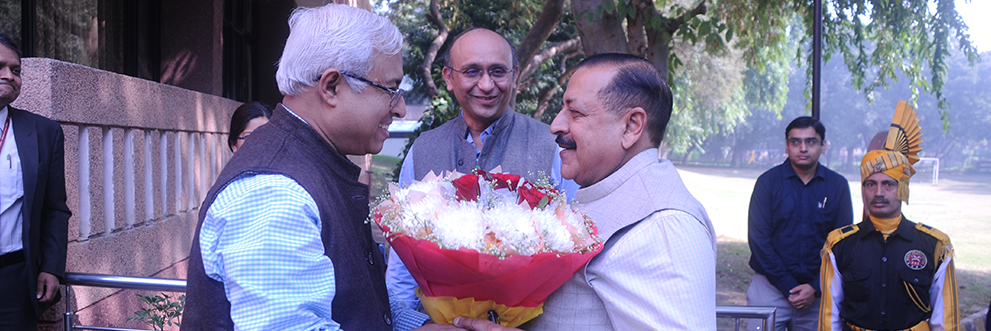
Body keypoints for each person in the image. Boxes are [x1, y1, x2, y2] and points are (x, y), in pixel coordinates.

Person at [182, 5, 460, 331]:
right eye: (390, 90)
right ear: (331, 87)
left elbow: (353, 298)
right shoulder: (275, 192)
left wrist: (421, 327)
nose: (399, 108)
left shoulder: (310, 164)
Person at [456, 53, 717, 330]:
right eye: (562, 110)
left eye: (576, 113)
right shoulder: (611, 194)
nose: (556, 125)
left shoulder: (665, 228)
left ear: (631, 126)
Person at [387, 27, 578, 309]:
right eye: (472, 71)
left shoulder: (553, 149)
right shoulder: (423, 150)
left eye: (498, 71)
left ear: (515, 76)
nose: (487, 85)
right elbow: (403, 265)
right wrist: (407, 321)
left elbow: (574, 248)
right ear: (449, 78)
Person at [819, 106, 959, 331]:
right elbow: (830, 317)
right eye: (871, 184)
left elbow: (946, 321)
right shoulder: (839, 245)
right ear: (862, 190)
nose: (879, 193)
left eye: (888, 184)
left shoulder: (935, 245)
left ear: (902, 189)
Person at [747, 116, 854, 331]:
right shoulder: (767, 183)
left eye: (811, 142)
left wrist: (815, 288)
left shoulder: (837, 186)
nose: (802, 148)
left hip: (818, 292)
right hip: (770, 287)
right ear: (787, 146)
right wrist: (788, 286)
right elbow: (759, 241)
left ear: (823, 145)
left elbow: (842, 244)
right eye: (795, 142)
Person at [0, 33, 71, 329]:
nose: (9, 76)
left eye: (15, 70)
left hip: (14, 280)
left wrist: (52, 268)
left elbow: (55, 208)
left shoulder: (44, 132)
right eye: (0, 67)